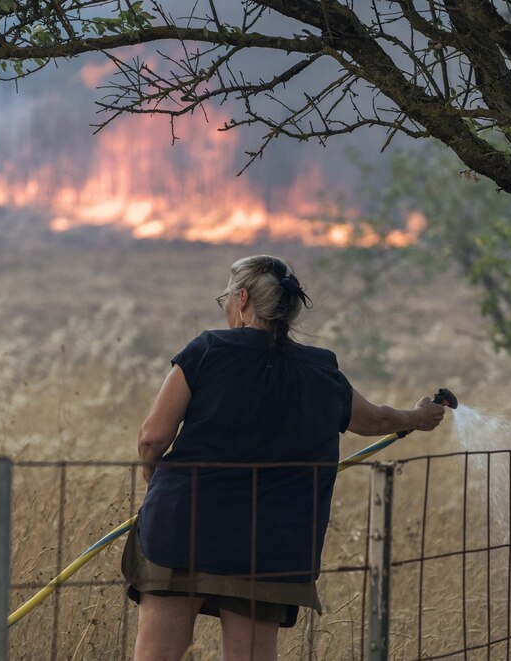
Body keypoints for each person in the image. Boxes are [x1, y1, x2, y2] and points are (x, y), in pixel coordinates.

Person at [122, 255, 446, 661]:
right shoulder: (321, 370)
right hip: (271, 547)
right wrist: (418, 416)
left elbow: (152, 439)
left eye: (225, 297)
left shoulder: (207, 349)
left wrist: (160, 489)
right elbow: (376, 419)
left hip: (181, 528)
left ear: (242, 299)